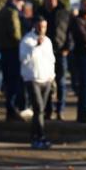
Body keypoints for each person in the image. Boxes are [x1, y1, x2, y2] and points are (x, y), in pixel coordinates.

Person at [19, 16, 56, 150]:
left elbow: (51, 60)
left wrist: (52, 77)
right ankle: (39, 136)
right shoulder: (27, 40)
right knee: (38, 108)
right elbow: (24, 58)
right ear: (35, 26)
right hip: (32, 78)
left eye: (44, 27)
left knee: (41, 110)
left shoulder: (48, 41)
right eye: (40, 26)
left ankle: (36, 135)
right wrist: (36, 47)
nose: (42, 29)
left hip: (46, 79)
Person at [0, 0, 27, 120]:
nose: (21, 6)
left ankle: (10, 108)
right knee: (15, 82)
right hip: (14, 50)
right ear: (16, 0)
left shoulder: (1, 11)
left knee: (8, 81)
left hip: (4, 50)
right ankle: (12, 109)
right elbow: (15, 33)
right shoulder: (12, 12)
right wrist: (22, 45)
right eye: (21, 3)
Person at [38, 0, 71, 121]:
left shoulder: (64, 13)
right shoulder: (40, 13)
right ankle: (48, 110)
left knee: (61, 82)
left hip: (60, 51)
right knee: (46, 83)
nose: (51, 1)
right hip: (44, 53)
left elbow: (69, 31)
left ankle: (60, 110)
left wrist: (68, 47)